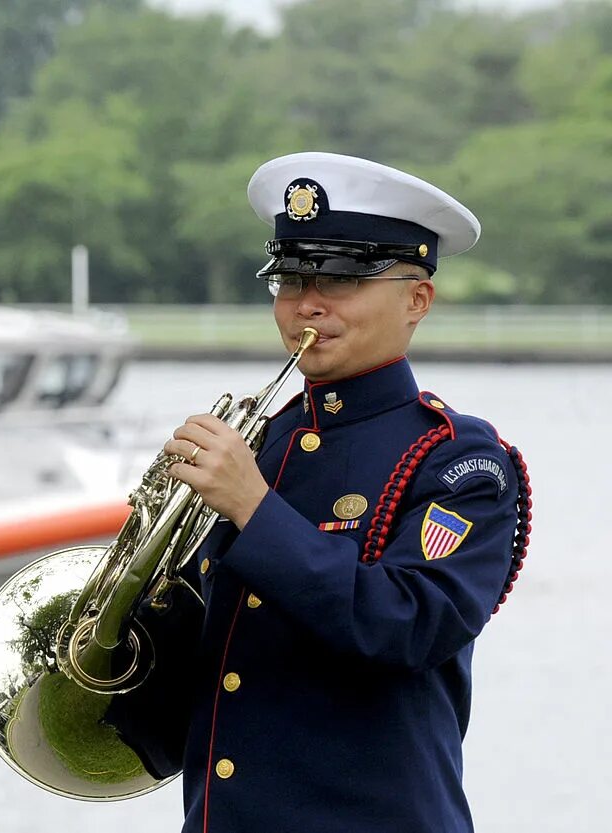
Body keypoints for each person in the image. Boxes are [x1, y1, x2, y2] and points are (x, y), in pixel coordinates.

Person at [142, 152, 532, 833]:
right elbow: (204, 686)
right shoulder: (262, 442)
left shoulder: (460, 462)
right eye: (290, 276)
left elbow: (407, 626)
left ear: (418, 299)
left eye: (343, 276)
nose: (307, 302)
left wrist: (254, 509)